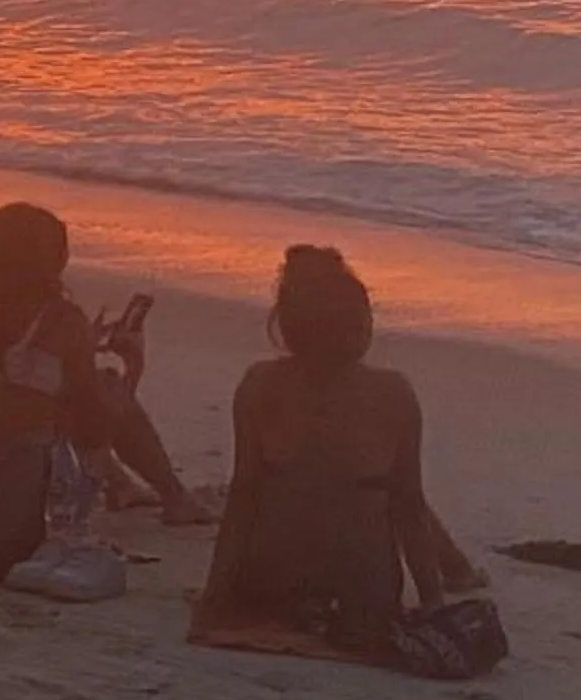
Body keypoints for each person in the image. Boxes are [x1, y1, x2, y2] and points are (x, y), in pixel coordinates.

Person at [189, 244, 477, 653]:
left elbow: (243, 500)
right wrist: (433, 605)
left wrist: (215, 596)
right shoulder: (393, 395)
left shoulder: (260, 385)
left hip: (272, 585)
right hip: (359, 597)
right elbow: (409, 506)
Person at [0, 202, 209, 584]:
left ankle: (128, 486)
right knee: (108, 386)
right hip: (19, 508)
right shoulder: (61, 319)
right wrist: (135, 365)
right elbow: (93, 428)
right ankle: (174, 497)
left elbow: (14, 386)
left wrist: (81, 351)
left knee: (65, 399)